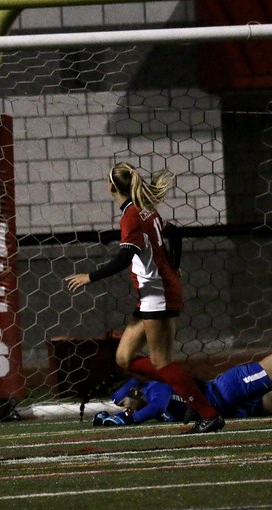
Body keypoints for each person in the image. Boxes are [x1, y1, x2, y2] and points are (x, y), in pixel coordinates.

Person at [65, 162, 225, 433]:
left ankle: (207, 413)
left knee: (162, 362)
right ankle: (185, 385)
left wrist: (89, 277)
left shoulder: (132, 215)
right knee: (124, 358)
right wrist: (175, 264)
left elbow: (125, 256)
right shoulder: (146, 210)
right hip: (152, 294)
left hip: (158, 295)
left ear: (111, 186)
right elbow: (175, 233)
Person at [92, 276, 272, 426]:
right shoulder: (146, 400)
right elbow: (145, 409)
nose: (124, 407)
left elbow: (157, 404)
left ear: (135, 391)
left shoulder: (154, 390)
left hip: (232, 389)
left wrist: (128, 420)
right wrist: (113, 416)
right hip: (240, 409)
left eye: (124, 403)